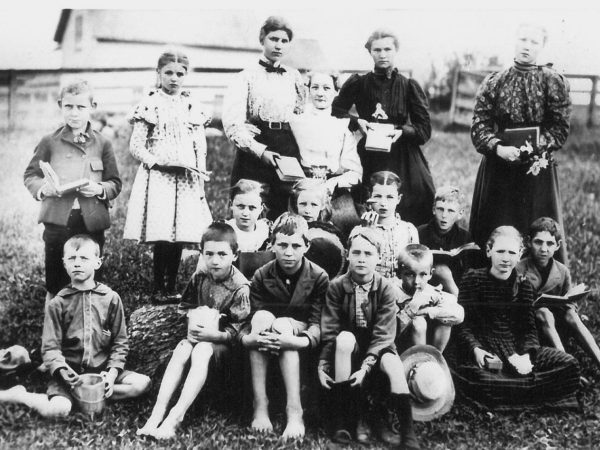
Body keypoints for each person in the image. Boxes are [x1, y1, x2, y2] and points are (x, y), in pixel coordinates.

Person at [0, 235, 150, 416]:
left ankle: (94, 394)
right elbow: (50, 348)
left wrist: (111, 375)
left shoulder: (111, 298)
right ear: (64, 263)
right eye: (72, 258)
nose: (77, 263)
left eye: (84, 258)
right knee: (59, 409)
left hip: (101, 372)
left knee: (142, 383)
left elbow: (120, 343)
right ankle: (21, 396)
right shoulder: (58, 303)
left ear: (98, 263)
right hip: (68, 375)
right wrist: (64, 373)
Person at [470, 23, 571, 264]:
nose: (527, 46)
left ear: (542, 46)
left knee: (537, 225)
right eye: (523, 39)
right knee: (496, 223)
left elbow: (559, 128)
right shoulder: (495, 81)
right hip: (499, 166)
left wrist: (533, 148)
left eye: (534, 42)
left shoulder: (552, 81)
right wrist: (498, 147)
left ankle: (540, 284)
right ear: (515, 41)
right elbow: (479, 125)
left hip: (537, 168)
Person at [138, 222, 250, 439]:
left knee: (202, 350)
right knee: (182, 348)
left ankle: (176, 415)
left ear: (235, 255)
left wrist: (215, 334)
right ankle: (156, 415)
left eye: (222, 254)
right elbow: (185, 305)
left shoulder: (240, 287)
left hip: (226, 349)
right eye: (209, 254)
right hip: (200, 336)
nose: (215, 260)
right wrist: (193, 316)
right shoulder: (200, 277)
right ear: (201, 253)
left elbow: (240, 329)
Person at [453, 226, 580, 410]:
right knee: (476, 378)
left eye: (512, 252)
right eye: (500, 251)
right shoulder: (472, 279)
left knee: (570, 364)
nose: (506, 258)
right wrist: (476, 350)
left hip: (516, 349)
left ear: (520, 254)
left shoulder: (523, 284)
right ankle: (532, 392)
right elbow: (463, 326)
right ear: (489, 251)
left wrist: (527, 356)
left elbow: (529, 328)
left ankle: (512, 392)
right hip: (485, 350)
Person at [318, 227, 419, 449]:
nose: (361, 259)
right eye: (356, 253)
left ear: (379, 258)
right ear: (347, 255)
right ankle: (344, 422)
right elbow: (330, 329)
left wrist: (366, 366)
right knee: (343, 338)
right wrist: (323, 363)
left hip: (378, 346)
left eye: (368, 253)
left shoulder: (385, 288)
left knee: (393, 362)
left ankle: (407, 431)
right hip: (350, 347)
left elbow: (384, 334)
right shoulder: (336, 287)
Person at [123, 50, 212, 300]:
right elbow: (136, 146)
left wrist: (200, 174)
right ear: (158, 73)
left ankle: (172, 287)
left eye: (180, 74)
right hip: (159, 177)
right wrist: (157, 162)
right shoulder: (150, 104)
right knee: (163, 231)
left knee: (179, 233)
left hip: (186, 178)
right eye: (169, 73)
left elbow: (200, 146)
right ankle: (158, 287)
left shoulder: (192, 106)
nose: (174, 78)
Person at [23, 80, 122, 303]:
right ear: (60, 105)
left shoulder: (103, 143)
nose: (74, 113)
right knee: (56, 279)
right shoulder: (49, 141)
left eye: (81, 107)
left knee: (88, 278)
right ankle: (52, 332)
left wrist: (98, 188)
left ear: (92, 107)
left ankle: (89, 325)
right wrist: (43, 189)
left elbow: (115, 182)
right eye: (68, 107)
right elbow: (30, 175)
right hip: (58, 220)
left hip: (91, 221)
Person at [332, 29, 434, 226]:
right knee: (362, 200)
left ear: (396, 51)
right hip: (369, 154)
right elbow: (336, 110)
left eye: (388, 49)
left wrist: (401, 131)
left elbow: (424, 130)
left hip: (402, 153)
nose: (383, 54)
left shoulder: (408, 85)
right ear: (370, 52)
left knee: (419, 194)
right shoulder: (359, 83)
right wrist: (357, 122)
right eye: (377, 49)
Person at [239, 213, 328, 439]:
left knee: (282, 325)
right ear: (272, 245)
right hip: (267, 333)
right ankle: (260, 403)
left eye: (296, 245)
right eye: (283, 245)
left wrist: (298, 339)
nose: (289, 252)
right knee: (261, 319)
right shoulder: (261, 274)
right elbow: (250, 316)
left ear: (307, 246)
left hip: (298, 335)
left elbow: (318, 322)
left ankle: (294, 410)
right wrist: (250, 336)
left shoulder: (318, 277)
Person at [223, 16, 306, 220]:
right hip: (256, 147)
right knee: (251, 203)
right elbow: (232, 123)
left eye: (284, 41)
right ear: (262, 40)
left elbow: (300, 114)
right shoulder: (246, 76)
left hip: (286, 145)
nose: (278, 45)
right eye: (273, 39)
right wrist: (260, 151)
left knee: (284, 205)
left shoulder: (294, 76)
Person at [517, 217, 600, 367]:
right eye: (538, 242)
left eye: (550, 243)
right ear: (529, 242)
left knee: (572, 315)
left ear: (557, 245)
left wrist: (568, 303)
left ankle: (598, 358)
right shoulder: (520, 268)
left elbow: (571, 303)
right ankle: (566, 361)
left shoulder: (562, 271)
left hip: (557, 323)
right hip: (530, 324)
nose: (544, 249)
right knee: (544, 312)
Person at [290, 71, 362, 193]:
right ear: (308, 90)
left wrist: (331, 184)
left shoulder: (342, 124)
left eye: (326, 88)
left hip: (333, 189)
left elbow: (354, 172)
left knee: (348, 213)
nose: (320, 93)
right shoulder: (295, 122)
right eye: (315, 87)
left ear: (336, 92)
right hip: (302, 188)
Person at [394, 244, 464, 353]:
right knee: (419, 323)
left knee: (446, 320)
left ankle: (435, 356)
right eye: (410, 275)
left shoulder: (430, 292)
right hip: (399, 344)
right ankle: (420, 359)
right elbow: (391, 330)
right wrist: (413, 307)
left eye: (423, 274)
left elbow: (459, 314)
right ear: (399, 273)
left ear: (431, 274)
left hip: (429, 341)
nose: (417, 281)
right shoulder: (392, 291)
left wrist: (426, 311)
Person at [362, 171, 418, 279]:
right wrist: (367, 232)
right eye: (378, 196)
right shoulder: (361, 229)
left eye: (390, 197)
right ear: (369, 197)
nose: (383, 203)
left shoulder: (408, 230)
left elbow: (416, 268)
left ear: (399, 199)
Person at [418, 186, 473, 296]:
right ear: (434, 209)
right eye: (440, 209)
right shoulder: (420, 233)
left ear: (460, 214)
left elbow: (469, 271)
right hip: (424, 287)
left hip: (455, 288)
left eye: (451, 211)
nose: (444, 215)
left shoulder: (465, 237)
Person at [227, 179, 271, 253]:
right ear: (231, 205)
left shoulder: (266, 232)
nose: (245, 213)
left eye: (252, 208)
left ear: (261, 208)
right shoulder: (224, 231)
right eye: (241, 206)